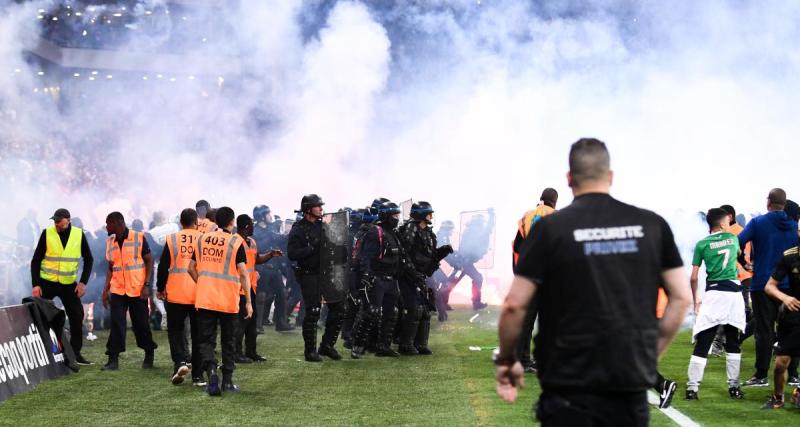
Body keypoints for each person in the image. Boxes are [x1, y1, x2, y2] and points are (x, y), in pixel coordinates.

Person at [495, 138, 691, 426]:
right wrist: (651, 354)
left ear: (569, 179)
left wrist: (507, 360)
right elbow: (682, 297)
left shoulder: (550, 228)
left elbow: (514, 305)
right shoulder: (652, 224)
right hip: (628, 383)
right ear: (610, 176)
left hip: (567, 384)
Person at [738, 189, 799, 387]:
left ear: (769, 202)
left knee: (764, 331)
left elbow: (738, 243)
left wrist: (744, 262)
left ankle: (761, 374)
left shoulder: (757, 223)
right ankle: (793, 375)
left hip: (763, 284)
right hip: (789, 286)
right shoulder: (793, 226)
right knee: (791, 330)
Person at [189, 206, 252, 395]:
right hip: (228, 300)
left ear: (216, 221)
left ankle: (211, 372)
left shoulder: (202, 239)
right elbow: (243, 273)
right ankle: (228, 382)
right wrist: (248, 301)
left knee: (206, 341)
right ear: (232, 222)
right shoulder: (236, 242)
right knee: (229, 341)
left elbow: (190, 268)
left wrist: (202, 284)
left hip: (206, 298)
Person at [685, 208, 746, 401]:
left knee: (704, 341)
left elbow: (694, 276)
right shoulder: (734, 239)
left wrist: (695, 298)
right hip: (733, 295)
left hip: (713, 295)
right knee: (733, 341)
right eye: (728, 222)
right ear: (721, 224)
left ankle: (692, 389)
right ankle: (734, 388)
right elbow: (736, 256)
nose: (730, 225)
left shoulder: (702, 244)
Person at [30, 208, 94, 365]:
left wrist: (82, 283)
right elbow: (36, 260)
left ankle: (75, 353)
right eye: (55, 221)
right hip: (47, 283)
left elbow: (89, 259)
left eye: (59, 221)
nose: (56, 224)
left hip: (68, 284)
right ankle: (44, 352)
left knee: (77, 315)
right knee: (41, 316)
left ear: (68, 220)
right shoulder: (47, 233)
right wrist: (36, 284)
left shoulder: (79, 234)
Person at [287, 194, 344, 362]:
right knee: (312, 312)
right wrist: (311, 248)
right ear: (308, 209)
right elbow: (292, 254)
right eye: (317, 206)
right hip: (309, 274)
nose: (321, 208)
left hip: (326, 273)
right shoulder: (298, 229)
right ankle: (310, 351)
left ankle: (327, 345)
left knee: (338, 307)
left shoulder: (322, 226)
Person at [101, 211, 158, 371]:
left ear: (118, 222)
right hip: (118, 289)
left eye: (109, 223)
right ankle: (113, 358)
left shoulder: (138, 237)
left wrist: (147, 285)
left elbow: (149, 260)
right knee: (117, 323)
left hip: (137, 288)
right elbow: (111, 266)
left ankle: (149, 353)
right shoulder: (110, 241)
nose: (107, 226)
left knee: (141, 324)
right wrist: (105, 290)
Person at [351, 201, 407, 359]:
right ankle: (358, 346)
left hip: (391, 279)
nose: (397, 218)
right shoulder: (375, 232)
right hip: (377, 278)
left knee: (392, 312)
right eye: (395, 215)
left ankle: (384, 346)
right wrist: (367, 276)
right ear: (387, 216)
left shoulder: (394, 233)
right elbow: (366, 257)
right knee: (371, 312)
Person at [512, 188, 558, 374]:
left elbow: (516, 246)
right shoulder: (558, 217)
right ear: (554, 202)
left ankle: (522, 360)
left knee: (526, 321)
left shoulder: (527, 217)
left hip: (527, 277)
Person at [398, 202, 452, 355]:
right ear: (422, 214)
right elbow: (404, 255)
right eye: (429, 213)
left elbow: (430, 256)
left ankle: (421, 344)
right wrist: (413, 273)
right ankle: (406, 344)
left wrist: (443, 251)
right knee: (414, 309)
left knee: (426, 310)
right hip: (408, 276)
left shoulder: (428, 232)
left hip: (422, 275)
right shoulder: (410, 229)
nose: (431, 216)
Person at [156, 208, 202, 385]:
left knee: (175, 330)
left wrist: (160, 287)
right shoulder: (203, 238)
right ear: (196, 222)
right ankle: (197, 373)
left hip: (175, 292)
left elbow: (163, 266)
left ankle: (179, 362)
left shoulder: (172, 239)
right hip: (198, 292)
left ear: (181, 223)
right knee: (198, 334)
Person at [234, 214, 283, 363]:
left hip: (251, 288)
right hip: (239, 289)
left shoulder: (252, 242)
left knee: (252, 323)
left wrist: (270, 255)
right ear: (247, 226)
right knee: (241, 323)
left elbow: (256, 260)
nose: (254, 226)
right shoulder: (234, 242)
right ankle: (237, 353)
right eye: (251, 224)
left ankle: (251, 352)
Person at [761, 239, 800, 409]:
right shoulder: (789, 256)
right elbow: (769, 286)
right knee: (780, 364)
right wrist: (785, 298)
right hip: (794, 314)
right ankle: (778, 397)